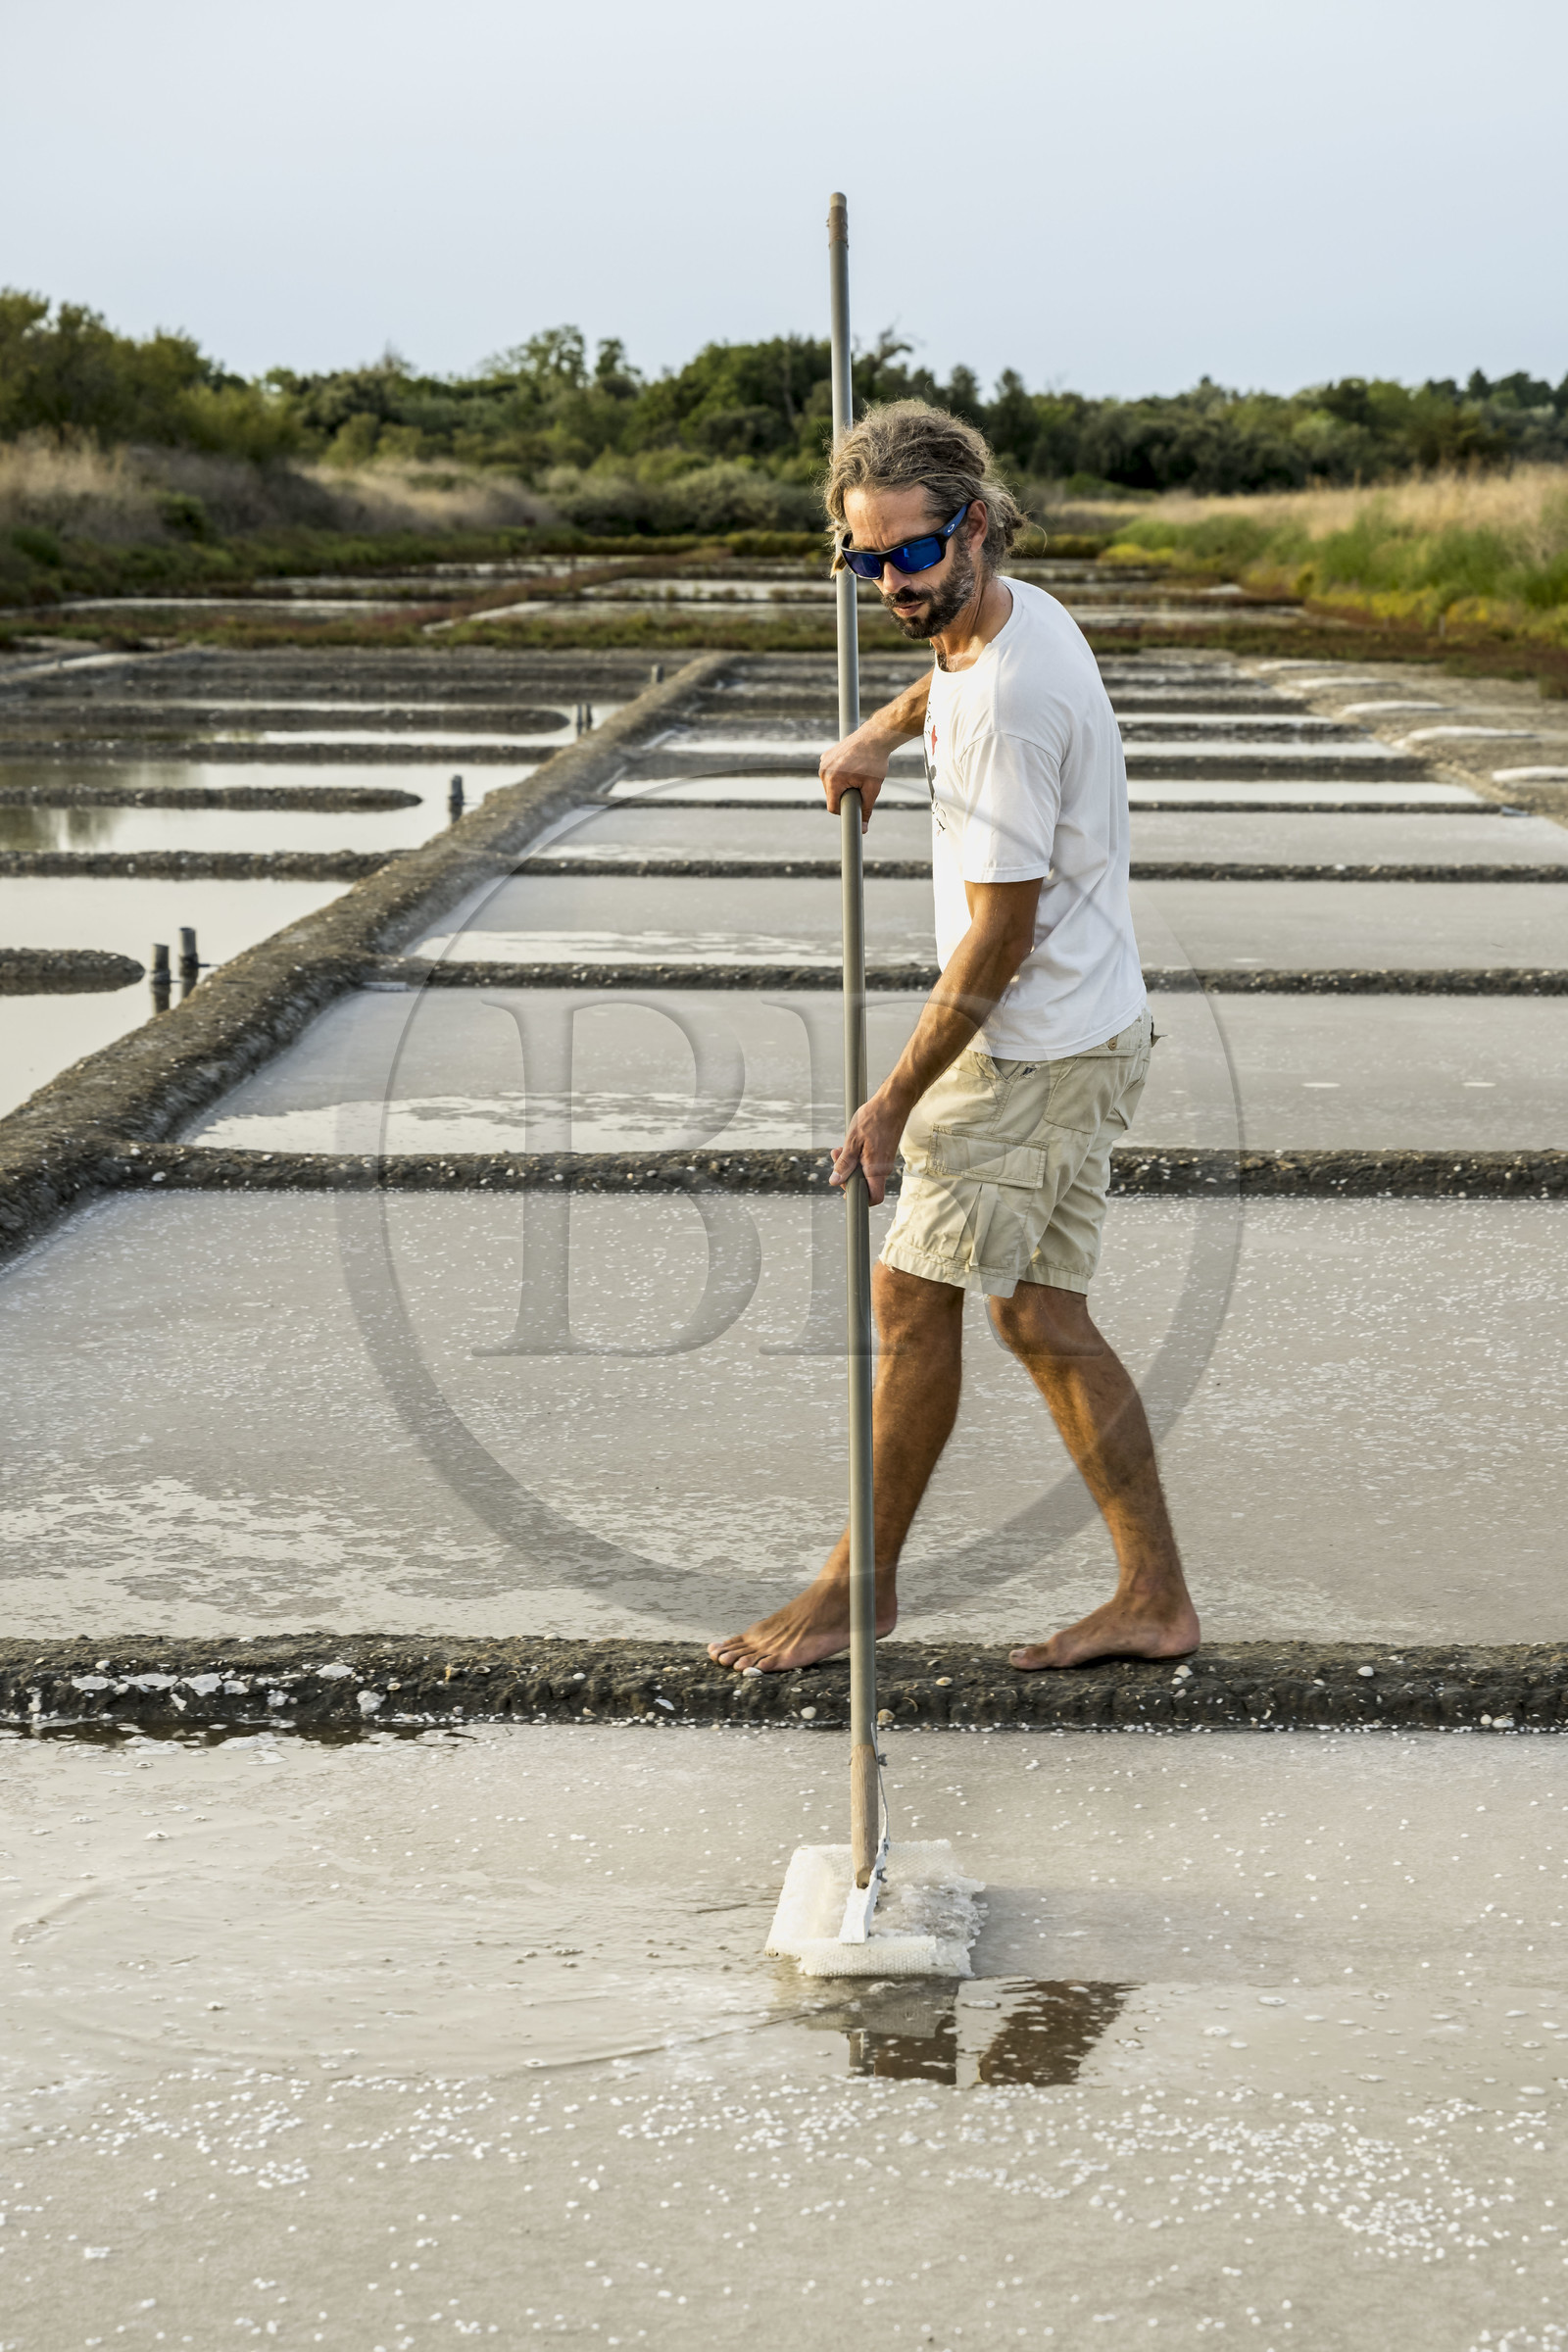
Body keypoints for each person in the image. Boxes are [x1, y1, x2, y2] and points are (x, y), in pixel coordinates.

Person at [709, 402, 1198, 1676]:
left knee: (907, 1299)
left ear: (973, 526)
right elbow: (954, 668)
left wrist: (889, 1100)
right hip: (1088, 1030)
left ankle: (848, 1596)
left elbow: (996, 940)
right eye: (860, 562)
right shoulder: (1004, 619)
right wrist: (881, 728)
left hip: (1031, 1050)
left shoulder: (1008, 706)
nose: (889, 585)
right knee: (1039, 1319)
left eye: (909, 557)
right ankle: (1153, 1596)